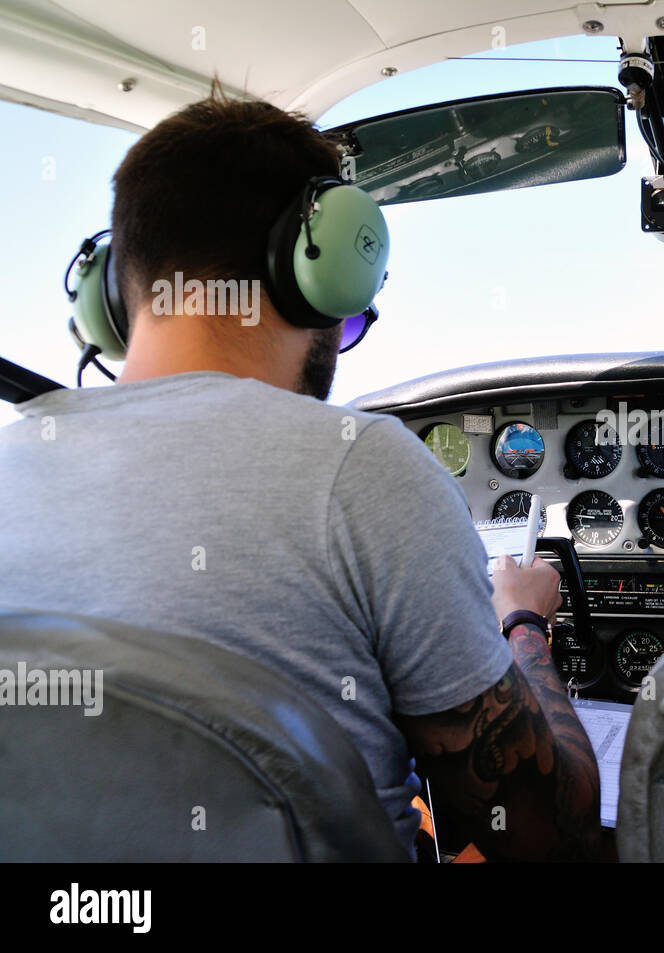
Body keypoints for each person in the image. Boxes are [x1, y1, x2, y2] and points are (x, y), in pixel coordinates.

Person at [0, 88, 602, 861]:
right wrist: (522, 622)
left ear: (110, 295)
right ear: (324, 270)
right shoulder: (364, 469)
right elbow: (543, 833)